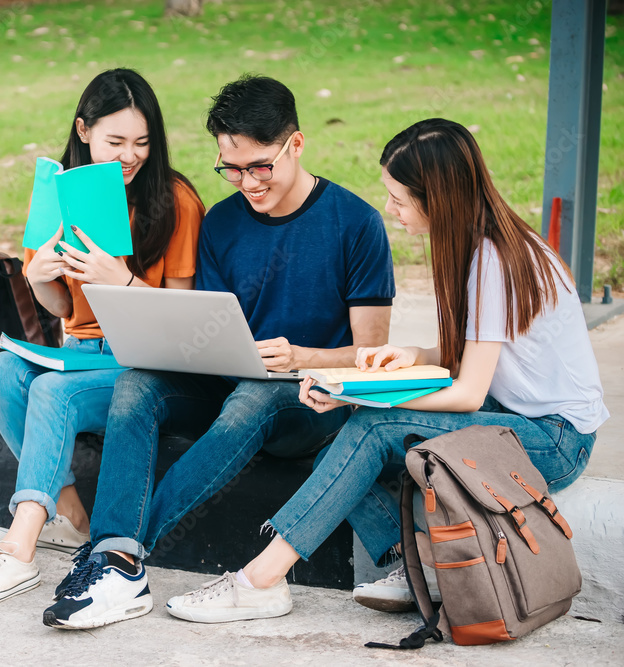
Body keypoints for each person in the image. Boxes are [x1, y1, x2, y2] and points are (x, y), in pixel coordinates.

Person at [159, 118, 608, 624]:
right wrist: (413, 355)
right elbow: (479, 351)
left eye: (399, 198)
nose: (390, 209)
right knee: (338, 441)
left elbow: (466, 393)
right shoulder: (483, 245)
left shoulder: (492, 261)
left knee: (372, 425)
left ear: (436, 197)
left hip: (555, 439)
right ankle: (409, 559)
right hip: (512, 416)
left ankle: (260, 580)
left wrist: (361, 395)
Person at [43, 75, 395, 629]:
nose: (247, 183)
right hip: (230, 382)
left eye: (260, 167)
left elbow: (372, 354)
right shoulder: (224, 221)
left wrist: (302, 356)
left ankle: (118, 560)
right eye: (231, 169)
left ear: (295, 144)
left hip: (311, 401)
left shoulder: (356, 224)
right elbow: (202, 328)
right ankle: (117, 555)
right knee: (138, 385)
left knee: (254, 397)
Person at [0, 68, 205, 608]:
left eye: (142, 143)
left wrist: (124, 282)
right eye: (116, 141)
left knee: (52, 392)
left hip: (144, 366)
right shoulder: (62, 195)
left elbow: (187, 323)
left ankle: (17, 550)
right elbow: (63, 310)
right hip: (81, 355)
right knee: (0, 372)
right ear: (84, 130)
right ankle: (74, 517)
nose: (130, 156)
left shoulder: (175, 201)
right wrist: (39, 282)